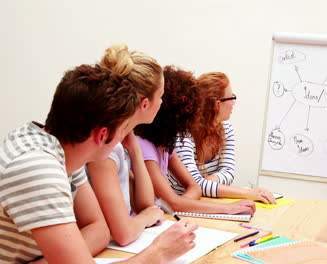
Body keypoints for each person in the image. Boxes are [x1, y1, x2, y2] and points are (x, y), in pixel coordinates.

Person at [0, 51, 197, 264]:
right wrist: (159, 253)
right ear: (102, 134)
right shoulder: (38, 168)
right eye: (123, 129)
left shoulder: (63, 149)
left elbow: (99, 229)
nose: (125, 137)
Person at [135, 66, 256, 214]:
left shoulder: (166, 145)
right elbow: (174, 202)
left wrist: (181, 203)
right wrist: (228, 208)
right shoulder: (144, 147)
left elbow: (195, 188)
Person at [86, 44, 165, 246]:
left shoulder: (122, 143)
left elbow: (146, 205)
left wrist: (136, 152)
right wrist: (144, 219)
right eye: (160, 96)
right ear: (144, 103)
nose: (162, 103)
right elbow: (124, 233)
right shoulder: (105, 147)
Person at [175, 72, 276, 204]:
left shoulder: (225, 128)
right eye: (231, 97)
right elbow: (194, 186)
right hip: (178, 209)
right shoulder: (182, 135)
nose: (234, 103)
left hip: (207, 202)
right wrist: (247, 193)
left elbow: (228, 172)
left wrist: (209, 182)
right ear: (217, 104)